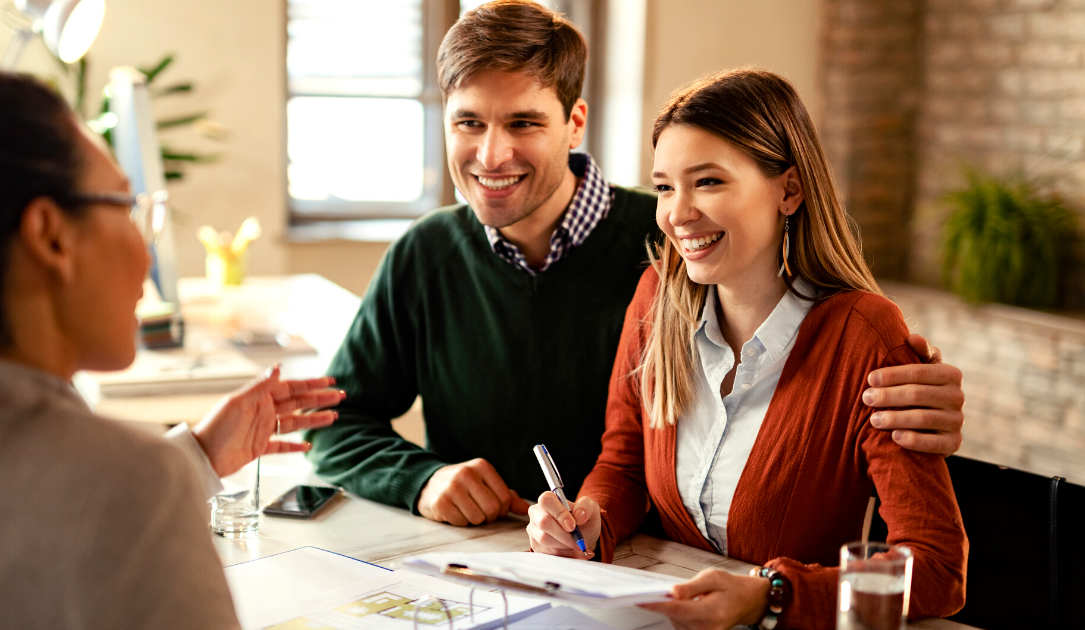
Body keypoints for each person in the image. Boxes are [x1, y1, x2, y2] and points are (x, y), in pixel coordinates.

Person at [305, 0, 968, 528]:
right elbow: (336, 424)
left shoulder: (682, 251)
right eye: (468, 123)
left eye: (524, 123)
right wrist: (423, 480)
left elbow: (805, 357)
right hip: (494, 568)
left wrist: (902, 381)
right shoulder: (426, 255)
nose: (491, 154)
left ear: (575, 123)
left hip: (654, 570)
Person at [0, 72, 341, 629]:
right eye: (127, 206)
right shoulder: (130, 483)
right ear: (50, 235)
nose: (145, 247)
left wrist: (196, 455)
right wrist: (158, 481)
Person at [525, 69, 968, 630]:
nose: (677, 213)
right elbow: (624, 463)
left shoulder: (865, 337)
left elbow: (937, 569)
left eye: (707, 181)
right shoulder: (657, 299)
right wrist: (590, 522)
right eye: (665, 186)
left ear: (788, 190)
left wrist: (771, 595)